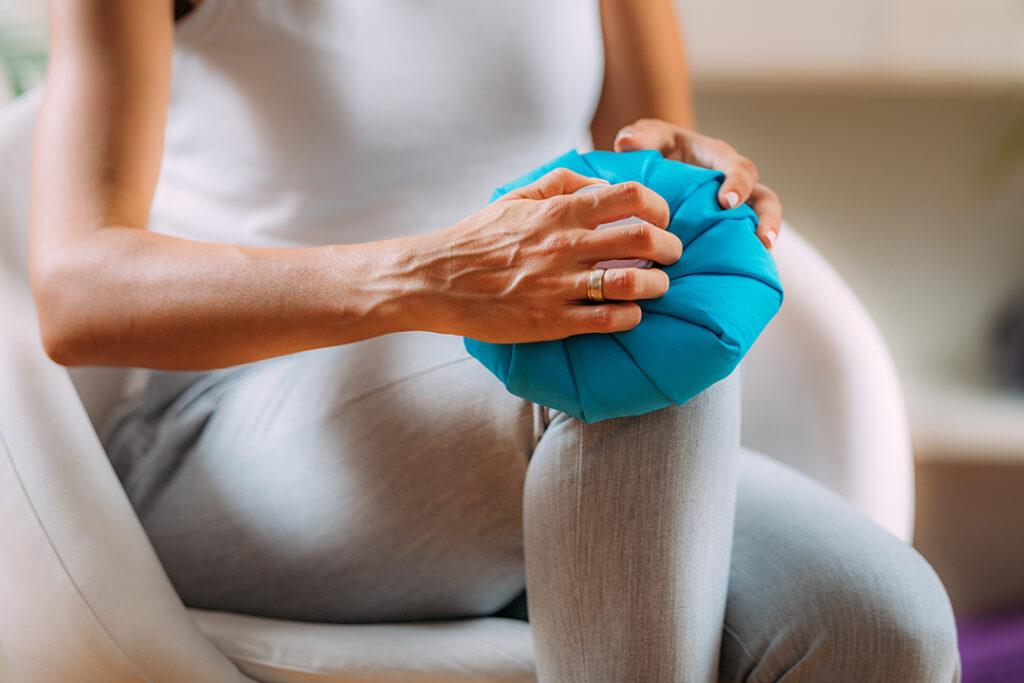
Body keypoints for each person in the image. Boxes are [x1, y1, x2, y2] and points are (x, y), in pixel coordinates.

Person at [31, 0, 960, 680]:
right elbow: (79, 289)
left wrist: (694, 190)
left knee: (882, 628)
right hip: (238, 439)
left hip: (533, 412)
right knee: (603, 342)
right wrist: (429, 275)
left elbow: (644, 158)